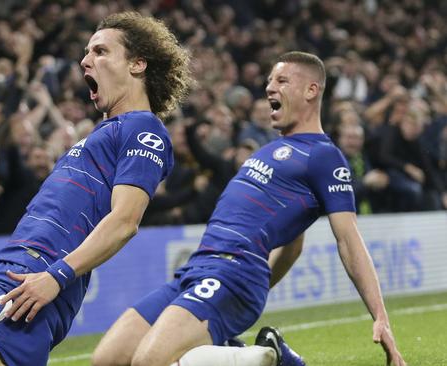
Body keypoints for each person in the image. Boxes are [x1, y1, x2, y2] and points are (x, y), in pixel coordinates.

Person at [0, 11, 192, 366]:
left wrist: (55, 278)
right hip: (5, 269)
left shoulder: (143, 129)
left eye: (100, 52)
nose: (85, 60)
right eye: (86, 52)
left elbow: (124, 222)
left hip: (41, 272)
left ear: (137, 64)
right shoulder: (100, 134)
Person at [92, 51, 406, 366]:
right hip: (196, 271)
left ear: (311, 90)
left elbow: (349, 240)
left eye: (281, 80)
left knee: (149, 362)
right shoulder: (270, 149)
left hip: (233, 273)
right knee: (106, 360)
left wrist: (380, 317)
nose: (270, 87)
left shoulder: (324, 156)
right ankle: (262, 357)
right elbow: (293, 243)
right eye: (269, 80)